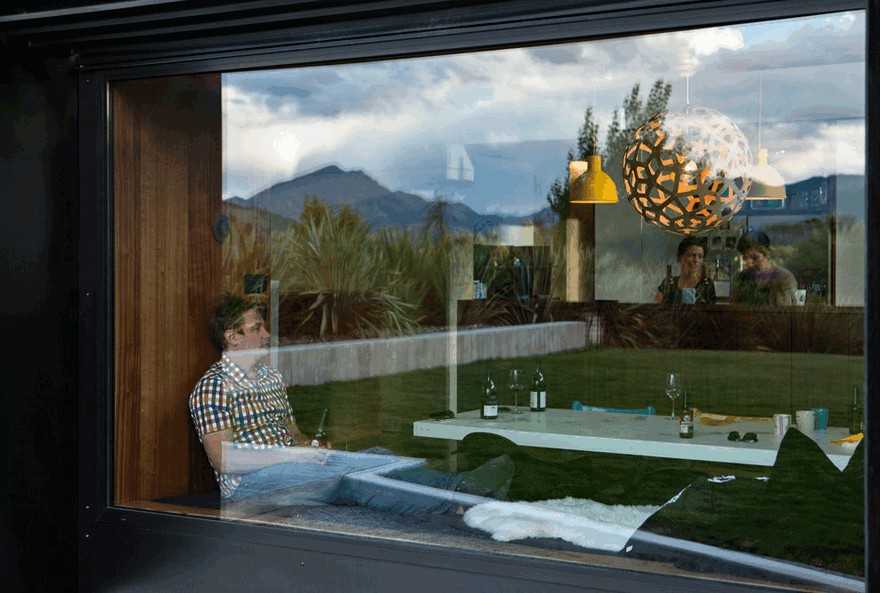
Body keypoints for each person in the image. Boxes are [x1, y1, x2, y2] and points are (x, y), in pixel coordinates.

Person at [189, 293, 514, 515]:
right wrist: (295, 454)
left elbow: (293, 432)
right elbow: (225, 461)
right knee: (350, 476)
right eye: (257, 328)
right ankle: (458, 496)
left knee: (376, 457)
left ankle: (459, 496)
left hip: (292, 467)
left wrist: (310, 444)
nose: (267, 334)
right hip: (251, 486)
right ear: (231, 337)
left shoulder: (270, 377)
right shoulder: (213, 387)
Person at [731, 230, 797, 306]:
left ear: (767, 254)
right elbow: (734, 309)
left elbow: (785, 313)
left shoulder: (783, 278)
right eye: (745, 258)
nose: (749, 264)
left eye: (755, 258)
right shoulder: (741, 278)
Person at [654, 236, 716, 305]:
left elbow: (712, 313)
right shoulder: (668, 284)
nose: (696, 260)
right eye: (690, 256)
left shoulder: (707, 285)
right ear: (680, 257)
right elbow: (656, 310)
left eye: (700, 256)